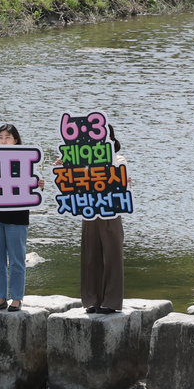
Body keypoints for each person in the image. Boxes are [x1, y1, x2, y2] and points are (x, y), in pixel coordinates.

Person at [0, 123, 37, 312]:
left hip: (17, 215)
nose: (3, 140)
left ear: (16, 140)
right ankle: (0, 297)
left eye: (7, 137)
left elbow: (34, 185)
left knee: (16, 258)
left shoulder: (25, 159)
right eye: (0, 137)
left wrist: (40, 184)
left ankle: (17, 298)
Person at [81, 125, 126, 314]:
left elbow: (121, 176)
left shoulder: (118, 159)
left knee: (113, 254)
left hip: (111, 211)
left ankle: (112, 301)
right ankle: (91, 300)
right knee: (90, 255)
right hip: (89, 210)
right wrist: (63, 166)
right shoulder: (82, 160)